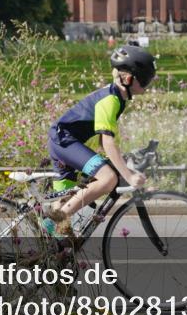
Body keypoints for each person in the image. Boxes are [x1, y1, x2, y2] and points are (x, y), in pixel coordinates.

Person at [41, 45, 155, 238]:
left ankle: (46, 255)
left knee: (63, 234)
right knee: (109, 178)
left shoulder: (116, 96)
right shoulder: (111, 100)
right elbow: (108, 143)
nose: (148, 84)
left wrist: (121, 163)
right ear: (128, 79)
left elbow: (104, 141)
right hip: (64, 141)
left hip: (62, 141)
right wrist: (128, 175)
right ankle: (55, 219)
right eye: (145, 80)